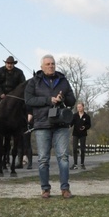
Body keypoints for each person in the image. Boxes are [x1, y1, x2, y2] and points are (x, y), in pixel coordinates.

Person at [25, 54, 76, 199]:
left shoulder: (63, 80)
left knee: (63, 157)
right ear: (42, 67)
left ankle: (65, 189)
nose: (51, 66)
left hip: (61, 123)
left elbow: (72, 100)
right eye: (47, 64)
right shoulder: (34, 81)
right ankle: (45, 189)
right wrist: (48, 100)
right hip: (42, 123)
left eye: (53, 64)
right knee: (43, 159)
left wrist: (63, 98)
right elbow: (28, 100)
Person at [70, 102, 91, 170]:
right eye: (78, 107)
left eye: (80, 107)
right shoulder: (74, 115)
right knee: (74, 148)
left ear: (83, 107)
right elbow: (71, 123)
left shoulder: (87, 116)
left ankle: (82, 163)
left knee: (82, 149)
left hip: (83, 134)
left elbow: (89, 125)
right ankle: (75, 164)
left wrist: (84, 127)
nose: (79, 108)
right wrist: (67, 124)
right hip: (75, 134)